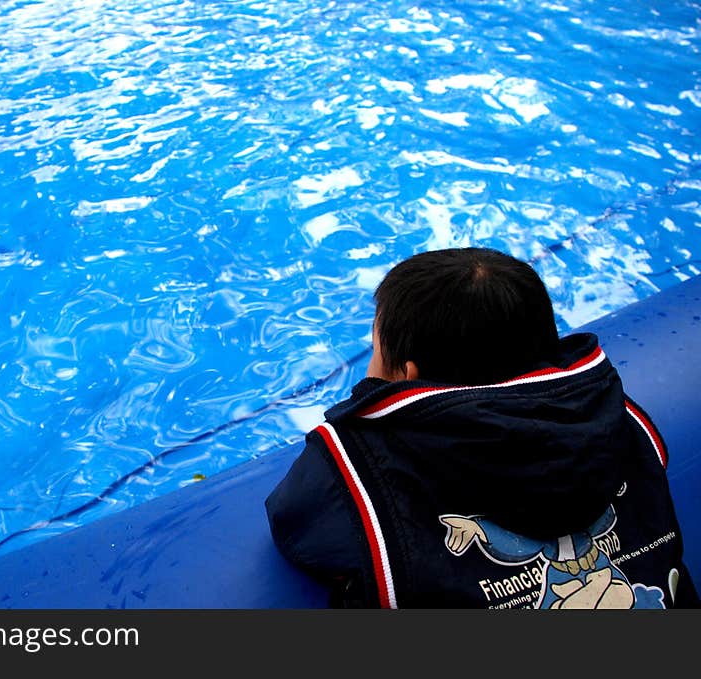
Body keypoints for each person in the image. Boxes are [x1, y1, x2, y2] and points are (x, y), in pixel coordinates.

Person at [264, 247, 699, 609]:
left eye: (376, 352)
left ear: (408, 374)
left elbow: (296, 527)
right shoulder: (622, 421)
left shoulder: (357, 464)